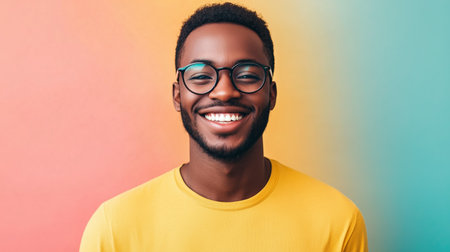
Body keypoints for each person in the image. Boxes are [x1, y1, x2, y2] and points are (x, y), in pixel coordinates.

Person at [80, 2, 368, 252]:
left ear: (272, 93)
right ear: (177, 95)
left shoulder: (336, 220)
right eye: (202, 76)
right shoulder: (114, 228)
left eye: (246, 75)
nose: (224, 92)